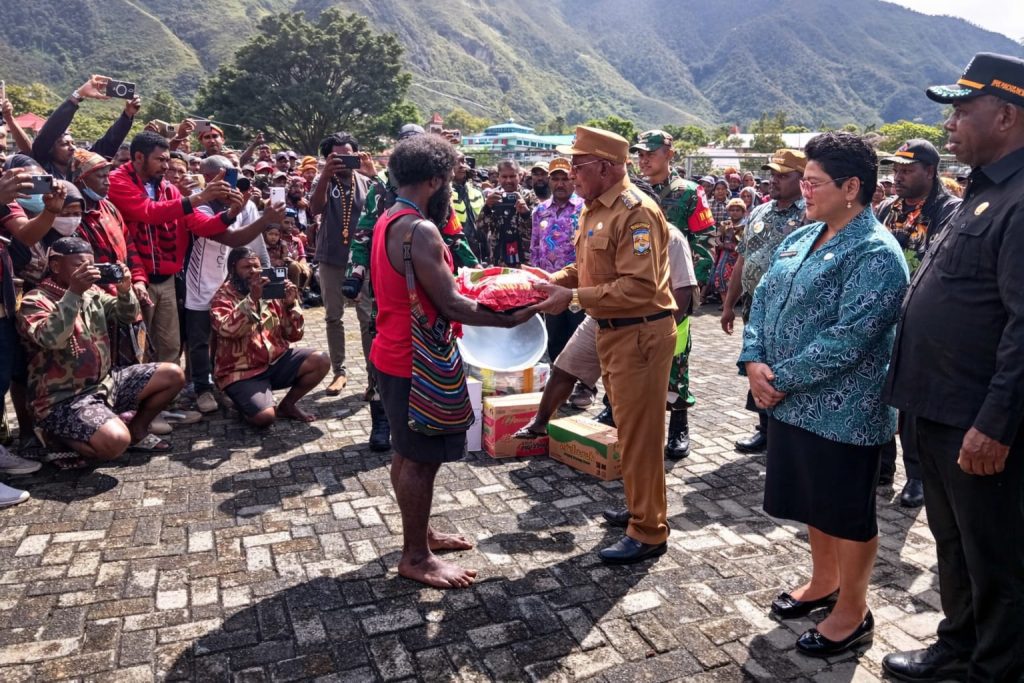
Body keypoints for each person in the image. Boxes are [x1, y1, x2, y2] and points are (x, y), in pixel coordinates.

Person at [881, 52, 1024, 683]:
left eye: (963, 110)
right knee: (954, 541)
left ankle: (997, 668)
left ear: (1007, 115)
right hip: (936, 408)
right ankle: (960, 643)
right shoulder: (984, 191)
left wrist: (995, 424)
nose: (950, 124)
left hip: (976, 419)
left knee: (996, 554)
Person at [739, 132, 908, 657]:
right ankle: (824, 581)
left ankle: (853, 611)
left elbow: (851, 338)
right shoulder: (803, 236)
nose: (803, 191)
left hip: (844, 412)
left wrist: (777, 379)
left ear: (851, 187)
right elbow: (763, 298)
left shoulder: (876, 252)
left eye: (814, 183)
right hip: (792, 403)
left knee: (846, 512)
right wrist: (753, 359)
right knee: (815, 502)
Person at [369, 134, 534, 589]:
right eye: (449, 177)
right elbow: (452, 304)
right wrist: (514, 316)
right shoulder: (420, 229)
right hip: (416, 361)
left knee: (407, 452)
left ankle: (420, 535)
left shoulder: (389, 217)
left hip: (392, 352)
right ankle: (415, 557)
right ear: (436, 180)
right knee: (421, 460)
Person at [535, 126, 677, 565]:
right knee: (628, 430)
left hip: (639, 333)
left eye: (579, 165)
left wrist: (573, 298)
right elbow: (588, 269)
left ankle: (649, 531)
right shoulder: (595, 208)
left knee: (641, 435)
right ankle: (640, 507)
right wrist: (550, 280)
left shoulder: (636, 212)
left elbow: (639, 286)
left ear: (607, 167)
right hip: (613, 331)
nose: (571, 173)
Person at [18, 238, 186, 466]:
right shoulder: (35, 300)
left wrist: (125, 291)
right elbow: (51, 338)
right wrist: (74, 293)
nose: (88, 271)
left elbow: (126, 316)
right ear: (56, 266)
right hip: (64, 399)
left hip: (105, 384)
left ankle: (137, 430)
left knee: (172, 375)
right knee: (116, 442)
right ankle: (55, 436)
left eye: (91, 265)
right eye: (79, 266)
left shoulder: (92, 292)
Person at [875, 139, 961, 508]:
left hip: (921, 319)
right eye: (895, 169)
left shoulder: (949, 210)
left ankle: (917, 475)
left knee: (912, 401)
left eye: (907, 170)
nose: (898, 176)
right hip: (882, 314)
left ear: (930, 171)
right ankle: (882, 467)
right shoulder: (887, 208)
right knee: (878, 390)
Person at [107, 132, 234, 365]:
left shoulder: (167, 188)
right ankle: (141, 390)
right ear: (139, 157)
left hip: (166, 280)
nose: (166, 166)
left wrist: (232, 213)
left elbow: (198, 223)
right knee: (136, 348)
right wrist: (200, 197)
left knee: (170, 346)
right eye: (160, 160)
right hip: (133, 279)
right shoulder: (117, 180)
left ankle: (169, 388)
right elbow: (149, 212)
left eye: (167, 160)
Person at [721, 149, 808, 454]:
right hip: (754, 308)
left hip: (790, 310)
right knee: (757, 363)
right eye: (772, 174)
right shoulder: (759, 212)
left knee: (784, 369)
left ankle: (786, 435)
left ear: (802, 179)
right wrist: (729, 305)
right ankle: (765, 430)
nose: (774, 180)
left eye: (783, 175)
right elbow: (743, 259)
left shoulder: (810, 214)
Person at [184, 155, 281, 415]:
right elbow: (230, 238)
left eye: (235, 176)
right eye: (228, 176)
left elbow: (254, 244)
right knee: (200, 339)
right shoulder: (198, 203)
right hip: (200, 282)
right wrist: (264, 219)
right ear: (209, 178)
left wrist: (267, 273)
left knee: (227, 334)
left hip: (230, 282)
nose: (234, 182)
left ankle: (222, 384)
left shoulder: (243, 202)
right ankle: (202, 388)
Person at [210, 247, 329, 427]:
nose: (253, 272)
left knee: (320, 360)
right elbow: (228, 331)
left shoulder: (271, 290)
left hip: (275, 362)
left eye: (256, 266)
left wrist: (290, 305)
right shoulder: (222, 296)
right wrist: (252, 299)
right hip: (241, 372)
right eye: (246, 267)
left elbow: (294, 335)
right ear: (233, 269)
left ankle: (287, 405)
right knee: (265, 418)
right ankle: (243, 404)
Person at [308, 132, 369, 396]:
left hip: (362, 260)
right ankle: (339, 372)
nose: (344, 160)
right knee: (334, 316)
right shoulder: (323, 180)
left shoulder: (367, 181)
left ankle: (373, 376)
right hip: (331, 257)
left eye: (349, 155)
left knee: (367, 317)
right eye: (337, 156)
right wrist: (325, 174)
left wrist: (373, 174)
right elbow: (315, 208)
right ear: (328, 158)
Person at [630, 129, 716, 298]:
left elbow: (705, 240)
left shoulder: (690, 192)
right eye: (640, 155)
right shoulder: (633, 191)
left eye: (650, 154)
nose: (644, 160)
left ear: (669, 154)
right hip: (637, 280)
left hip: (674, 282)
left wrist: (693, 284)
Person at [529, 157, 585, 365]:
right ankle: (557, 376)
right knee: (554, 336)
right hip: (550, 285)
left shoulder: (584, 208)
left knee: (578, 336)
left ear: (573, 179)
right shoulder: (540, 211)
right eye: (555, 179)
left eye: (565, 179)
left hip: (578, 286)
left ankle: (581, 380)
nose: (560, 184)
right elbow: (535, 247)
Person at [31, 76, 139, 180]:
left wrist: (127, 115)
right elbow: (50, 131)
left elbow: (108, 143)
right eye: (64, 144)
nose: (72, 148)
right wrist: (78, 95)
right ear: (49, 149)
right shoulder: (40, 165)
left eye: (73, 143)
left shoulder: (83, 167)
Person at [477, 159, 537, 266]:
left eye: (512, 176)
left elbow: (538, 230)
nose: (508, 180)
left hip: (524, 261)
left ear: (519, 176)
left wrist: (526, 214)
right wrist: (487, 207)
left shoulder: (530, 197)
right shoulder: (492, 197)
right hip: (499, 259)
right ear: (498, 177)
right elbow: (480, 228)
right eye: (504, 177)